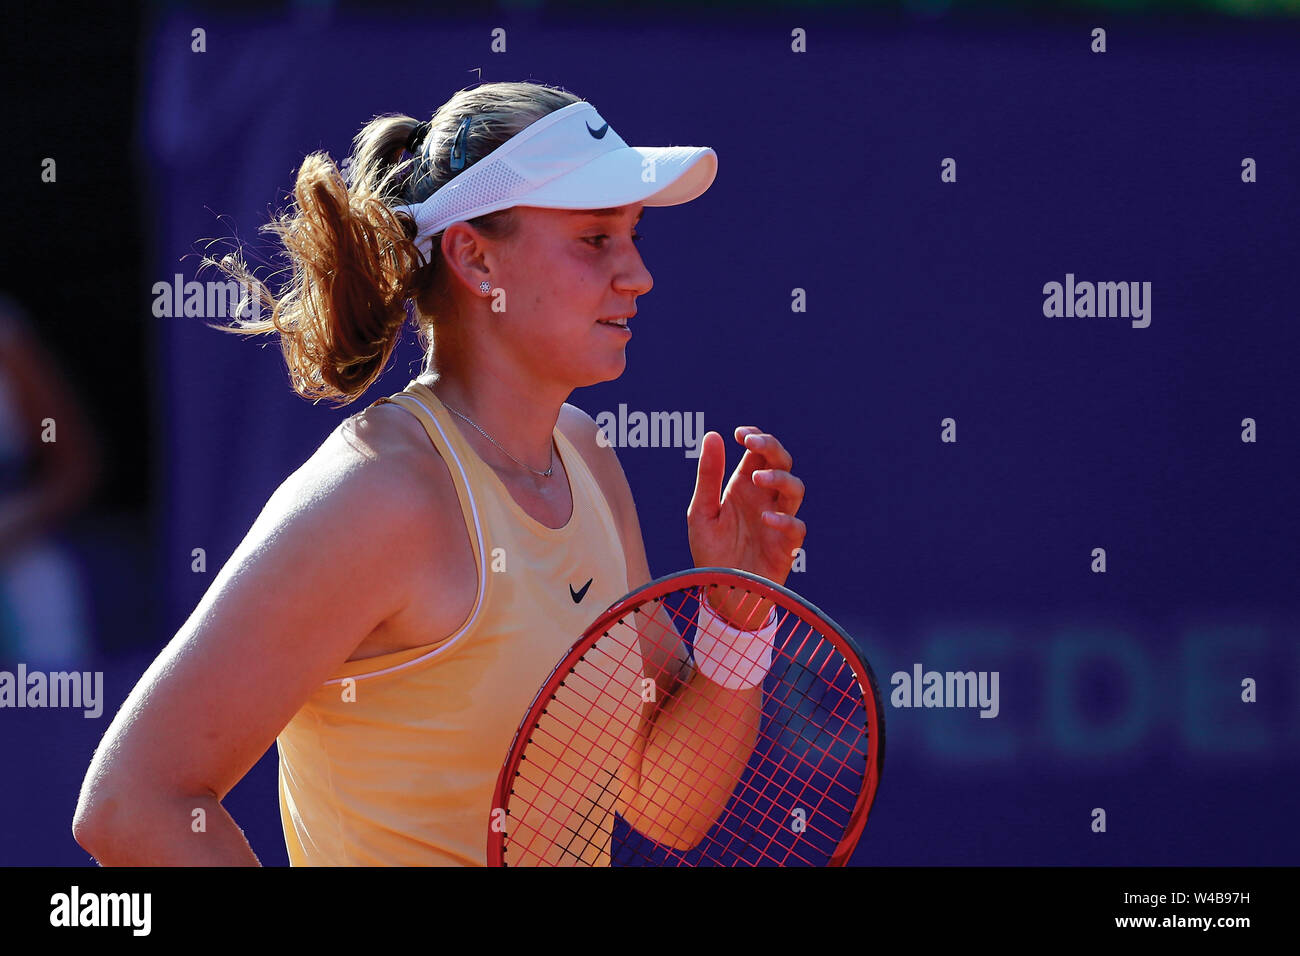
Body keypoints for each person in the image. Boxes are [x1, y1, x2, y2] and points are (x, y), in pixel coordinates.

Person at [73, 81, 806, 865]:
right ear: (474, 256)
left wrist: (736, 624)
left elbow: (664, 804)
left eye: (632, 236)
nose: (637, 275)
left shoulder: (586, 458)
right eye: (595, 240)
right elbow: (133, 800)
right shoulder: (380, 495)